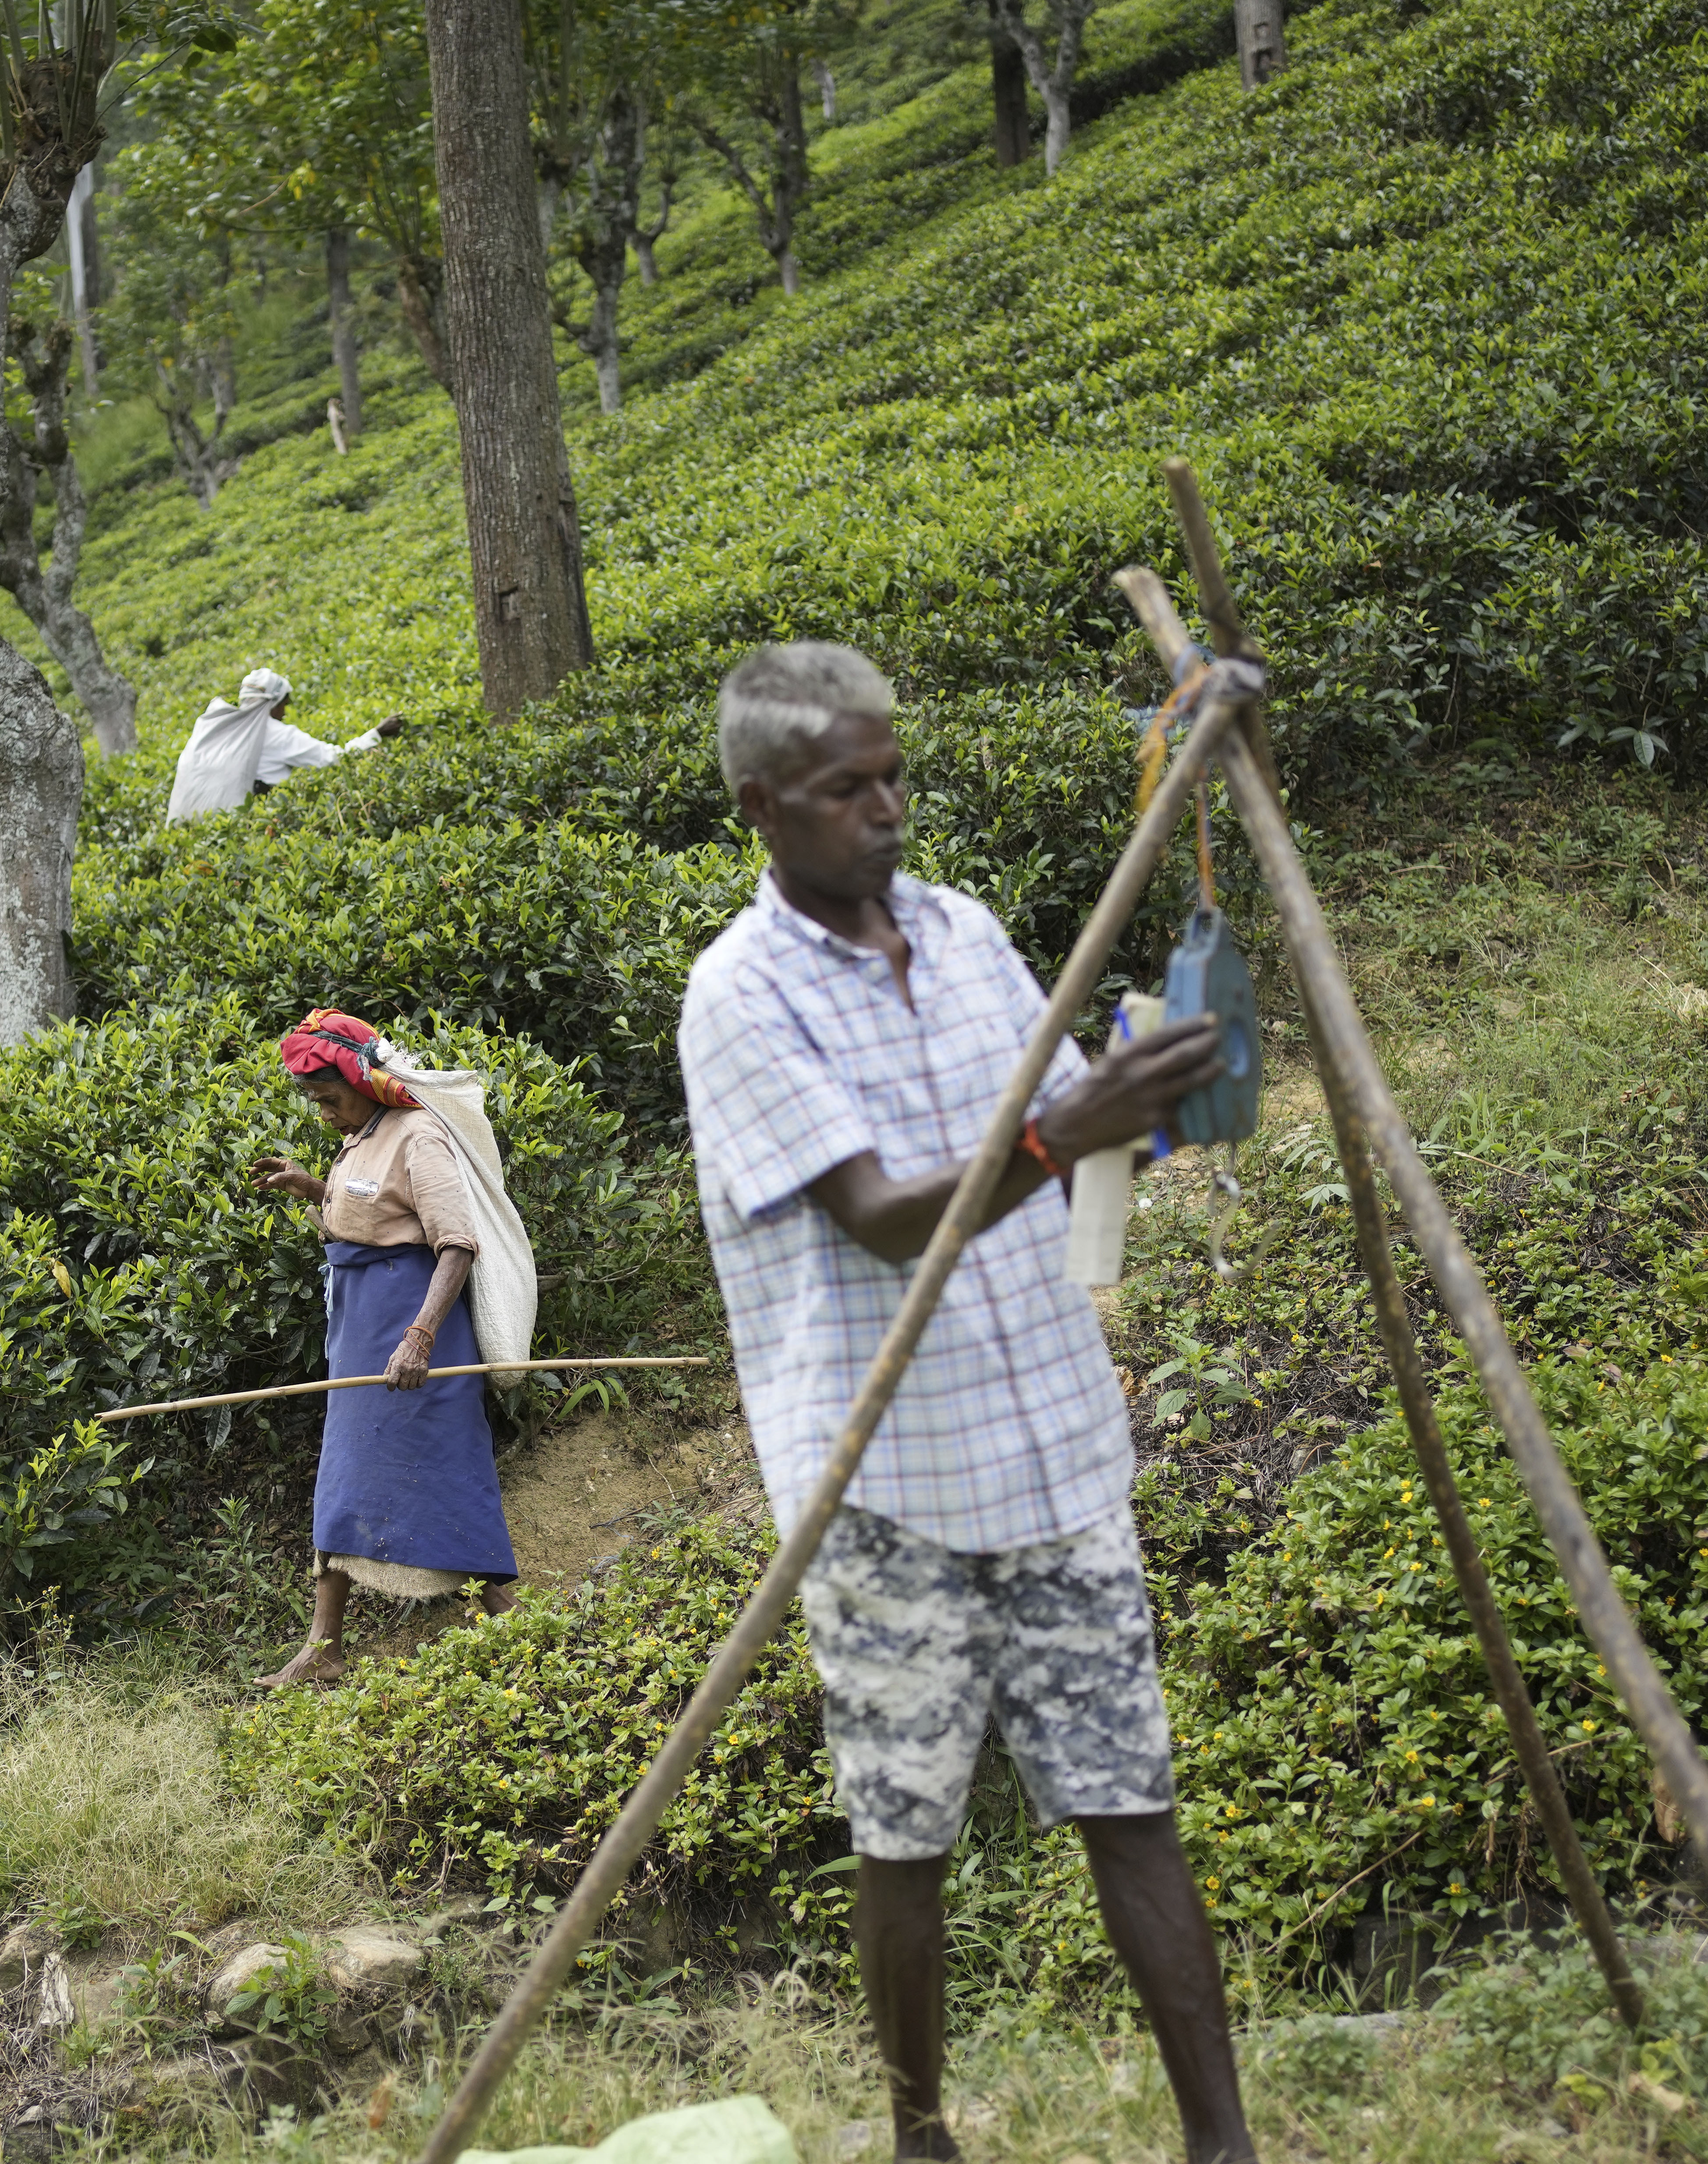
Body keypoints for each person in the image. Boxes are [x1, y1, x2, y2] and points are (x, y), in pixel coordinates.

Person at [675, 643, 1252, 2164]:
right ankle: (922, 2136)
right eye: (843, 788)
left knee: (1130, 1799)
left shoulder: (963, 927)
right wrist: (1070, 1133)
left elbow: (1067, 1116)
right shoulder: (737, 997)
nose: (884, 809)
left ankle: (1222, 2143)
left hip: (1050, 1436)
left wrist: (1155, 1095)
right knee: (905, 1828)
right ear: (761, 805)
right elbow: (878, 1214)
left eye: (891, 774)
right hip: (886, 1482)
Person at [245, 1009, 523, 1688]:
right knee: (344, 1475)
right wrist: (310, 1186)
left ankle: (515, 1624)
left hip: (415, 1339)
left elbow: (454, 1243)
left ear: (362, 1082)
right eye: (315, 1103)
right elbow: (370, 1217)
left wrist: (420, 1336)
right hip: (359, 1337)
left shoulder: (417, 1135)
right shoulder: (360, 1135)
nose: (324, 1114)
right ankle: (323, 1649)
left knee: (447, 1466)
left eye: (329, 1099)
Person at [164, 668, 405, 821]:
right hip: (257, 819)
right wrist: (377, 733)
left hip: (205, 824)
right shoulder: (277, 734)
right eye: (285, 705)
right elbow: (333, 758)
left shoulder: (225, 727)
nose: (286, 712)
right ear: (275, 704)